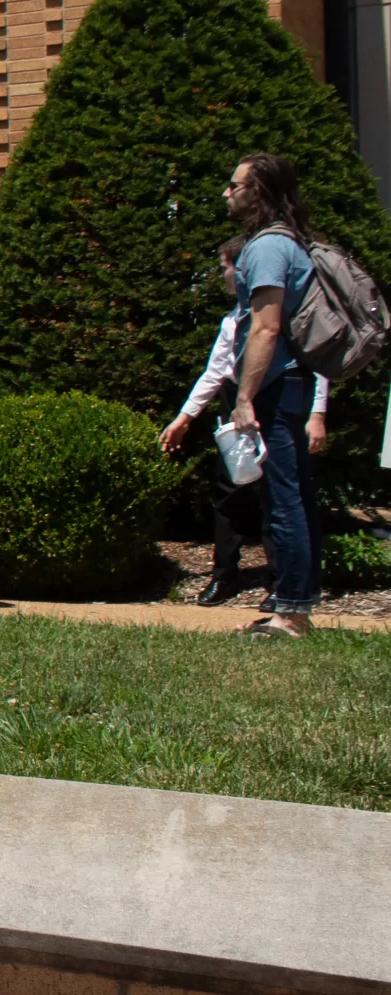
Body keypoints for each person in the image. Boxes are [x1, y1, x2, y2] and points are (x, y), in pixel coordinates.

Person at [161, 236, 332, 608]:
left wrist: (317, 414)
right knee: (230, 495)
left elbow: (315, 366)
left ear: (244, 270)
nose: (220, 274)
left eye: (224, 266)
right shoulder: (232, 321)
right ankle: (224, 576)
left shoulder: (279, 315)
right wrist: (185, 417)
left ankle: (282, 584)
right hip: (236, 412)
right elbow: (215, 372)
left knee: (278, 497)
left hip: (272, 405)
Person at [222, 154, 325, 638]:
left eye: (234, 185)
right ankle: (292, 606)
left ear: (256, 191)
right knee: (293, 496)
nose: (228, 193)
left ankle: (292, 613)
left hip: (276, 385)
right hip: (291, 383)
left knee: (284, 500)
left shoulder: (266, 248)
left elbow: (265, 328)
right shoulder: (289, 242)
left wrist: (245, 398)